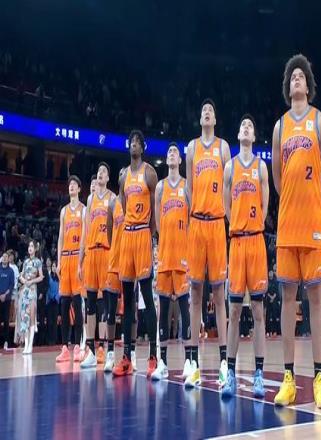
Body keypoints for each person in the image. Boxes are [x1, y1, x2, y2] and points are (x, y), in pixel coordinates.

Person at [271, 54, 321, 409]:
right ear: (288, 86)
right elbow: (278, 178)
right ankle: (289, 379)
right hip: (287, 225)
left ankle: (320, 377)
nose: (296, 78)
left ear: (308, 86)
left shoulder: (319, 120)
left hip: (312, 225)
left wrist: (313, 201)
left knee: (316, 299)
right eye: (292, 76)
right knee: (287, 300)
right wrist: (294, 202)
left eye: (301, 76)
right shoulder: (279, 126)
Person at [220, 114, 269, 399]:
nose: (246, 128)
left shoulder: (261, 166)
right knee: (235, 312)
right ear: (238, 135)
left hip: (256, 241)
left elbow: (265, 204)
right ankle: (231, 374)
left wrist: (254, 225)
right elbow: (226, 204)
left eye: (250, 125)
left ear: (254, 135)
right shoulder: (230, 166)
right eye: (242, 126)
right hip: (237, 242)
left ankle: (259, 374)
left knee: (259, 311)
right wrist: (237, 224)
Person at [184, 99, 231, 388]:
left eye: (211, 110)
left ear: (215, 119)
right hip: (197, 222)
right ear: (200, 119)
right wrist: (194, 213)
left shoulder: (223, 147)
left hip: (216, 223)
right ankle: (193, 360)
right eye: (203, 110)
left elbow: (228, 184)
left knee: (218, 292)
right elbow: (189, 187)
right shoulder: (191, 148)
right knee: (195, 292)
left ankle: (224, 360)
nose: (206, 112)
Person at [114, 130, 158, 378]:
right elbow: (123, 204)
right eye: (131, 142)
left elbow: (154, 210)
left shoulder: (149, 173)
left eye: (138, 142)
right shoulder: (123, 176)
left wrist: (149, 235)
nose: (134, 145)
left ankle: (152, 355)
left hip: (142, 234)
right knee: (127, 300)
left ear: (143, 147)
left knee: (147, 297)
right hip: (127, 235)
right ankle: (126, 358)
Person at [152, 142, 191, 381]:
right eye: (169, 152)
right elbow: (158, 221)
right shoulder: (160, 187)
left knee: (185, 310)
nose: (172, 154)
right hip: (165, 255)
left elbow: (190, 219)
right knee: (164, 310)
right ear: (166, 160)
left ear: (180, 160)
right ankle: (163, 362)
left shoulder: (187, 186)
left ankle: (189, 361)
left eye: (175, 151)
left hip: (183, 255)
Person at [79, 162, 115, 368]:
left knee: (108, 305)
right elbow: (85, 232)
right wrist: (80, 261)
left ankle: (108, 351)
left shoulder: (113, 199)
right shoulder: (90, 199)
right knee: (90, 305)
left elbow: (116, 230)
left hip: (107, 252)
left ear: (108, 178)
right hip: (91, 252)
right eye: (99, 171)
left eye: (104, 172)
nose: (100, 174)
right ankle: (91, 351)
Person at [55, 176, 85, 363]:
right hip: (65, 258)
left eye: (74, 184)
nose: (71, 187)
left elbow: (84, 237)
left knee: (77, 304)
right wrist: (58, 261)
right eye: (69, 185)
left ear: (79, 189)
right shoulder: (64, 211)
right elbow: (60, 237)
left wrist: (81, 262)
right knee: (64, 305)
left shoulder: (83, 209)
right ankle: (65, 347)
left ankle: (77, 346)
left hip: (77, 257)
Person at [103, 169, 126, 372]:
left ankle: (129, 353)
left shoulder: (134, 200)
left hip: (130, 261)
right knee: (110, 310)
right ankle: (110, 353)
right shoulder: (112, 203)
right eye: (121, 175)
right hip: (114, 261)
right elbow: (109, 232)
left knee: (129, 311)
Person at [16, 240, 43, 354]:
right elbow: (21, 275)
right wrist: (24, 280)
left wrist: (31, 281)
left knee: (31, 317)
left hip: (32, 290)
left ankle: (30, 345)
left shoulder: (38, 262)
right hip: (25, 291)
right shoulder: (26, 261)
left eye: (32, 246)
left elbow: (41, 277)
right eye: (29, 246)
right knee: (24, 317)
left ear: (35, 249)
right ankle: (26, 344)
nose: (30, 248)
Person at [0, 252, 15, 349]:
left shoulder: (11, 271)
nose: (5, 258)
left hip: (7, 299)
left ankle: (6, 341)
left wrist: (5, 295)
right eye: (3, 257)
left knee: (6, 320)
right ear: (1, 258)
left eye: (6, 257)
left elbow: (11, 285)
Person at [46, 261, 60, 346]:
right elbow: (47, 288)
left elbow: (60, 289)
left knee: (55, 322)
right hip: (50, 302)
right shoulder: (49, 277)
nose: (54, 268)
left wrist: (56, 297)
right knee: (50, 321)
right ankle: (49, 340)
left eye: (55, 266)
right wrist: (51, 296)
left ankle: (54, 340)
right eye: (53, 266)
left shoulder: (59, 278)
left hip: (56, 302)